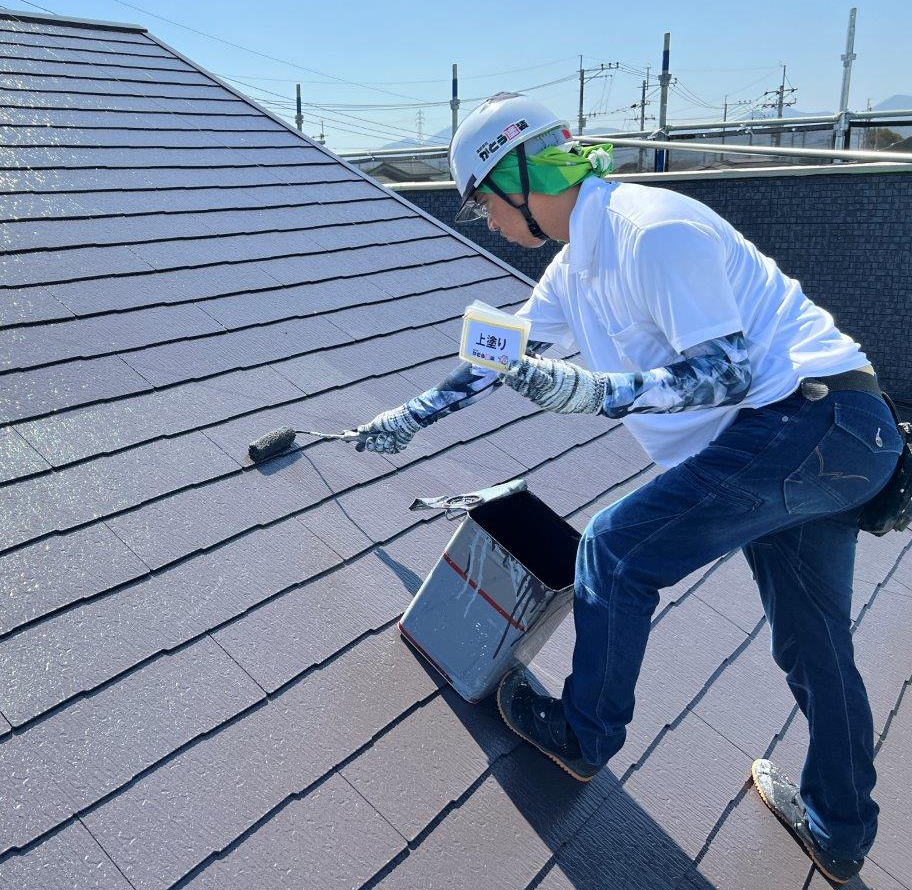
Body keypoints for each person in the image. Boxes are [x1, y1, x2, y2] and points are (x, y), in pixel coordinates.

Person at [353, 92, 902, 884]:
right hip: (826, 443)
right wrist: (407, 418)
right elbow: (498, 355)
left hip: (812, 423)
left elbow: (730, 369)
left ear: (517, 177)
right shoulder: (575, 269)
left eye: (485, 209)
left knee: (615, 550)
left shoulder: (650, 229)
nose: (491, 227)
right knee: (814, 647)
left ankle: (582, 735)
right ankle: (840, 830)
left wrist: (594, 392)